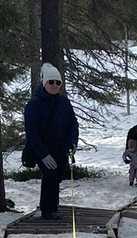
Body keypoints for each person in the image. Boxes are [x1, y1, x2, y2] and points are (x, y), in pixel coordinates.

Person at [24, 63, 79, 220]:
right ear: (44, 83)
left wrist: (73, 143)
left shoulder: (64, 102)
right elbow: (32, 132)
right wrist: (43, 154)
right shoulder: (34, 104)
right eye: (51, 82)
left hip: (61, 148)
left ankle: (51, 207)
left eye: (58, 82)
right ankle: (48, 211)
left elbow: (73, 124)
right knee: (50, 174)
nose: (55, 85)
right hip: (44, 148)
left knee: (57, 176)